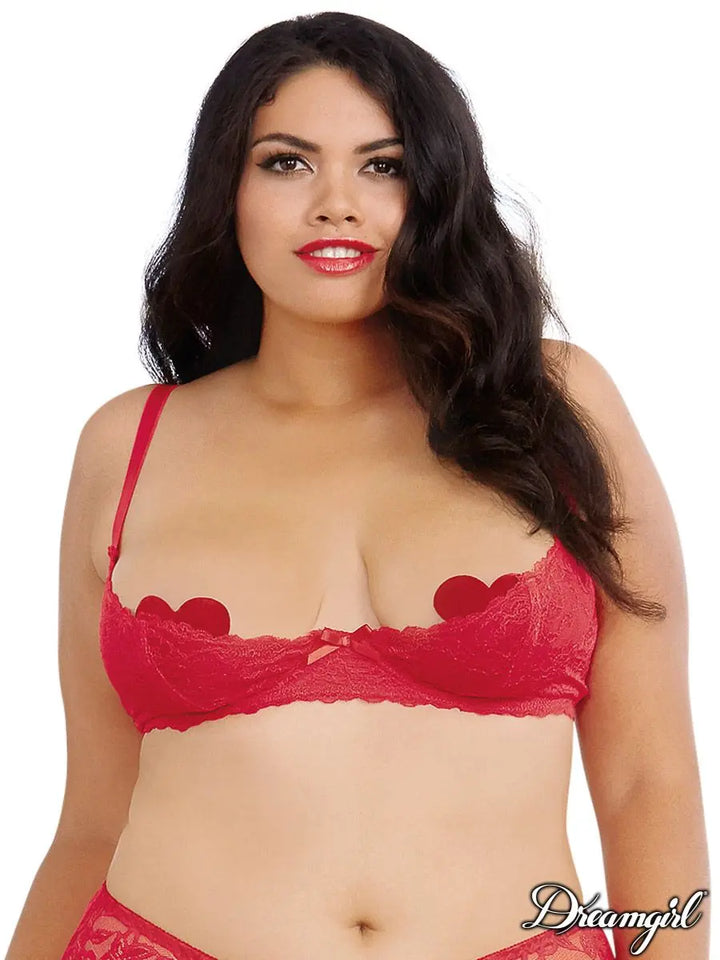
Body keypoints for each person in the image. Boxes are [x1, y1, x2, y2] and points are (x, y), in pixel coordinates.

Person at [6, 12, 709, 960]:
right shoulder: (127, 443)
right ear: (226, 191)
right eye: (286, 163)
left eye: (383, 166)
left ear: (437, 192)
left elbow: (646, 784)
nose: (336, 204)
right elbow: (92, 819)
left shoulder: (555, 405)